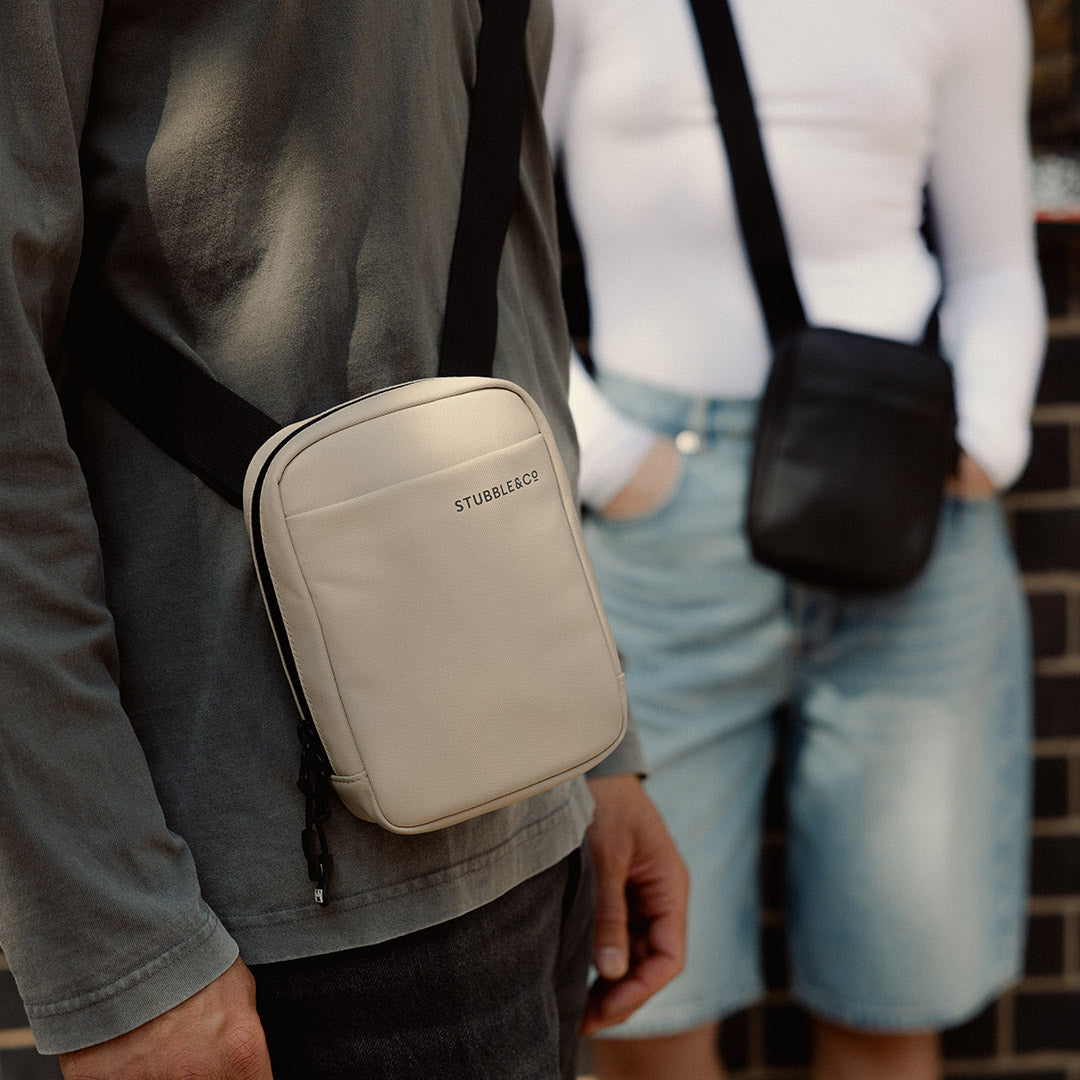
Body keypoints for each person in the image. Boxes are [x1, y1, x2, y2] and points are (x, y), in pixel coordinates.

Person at [0, 3, 689, 1077]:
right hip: (258, 908)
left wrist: (598, 741)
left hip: (530, 822)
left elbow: (509, 257)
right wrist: (121, 943)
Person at [544, 0, 1046, 1077]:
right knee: (642, 1016)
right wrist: (615, 462)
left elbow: (996, 261)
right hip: (661, 513)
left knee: (888, 1007)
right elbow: (487, 240)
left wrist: (982, 447)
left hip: (909, 507)